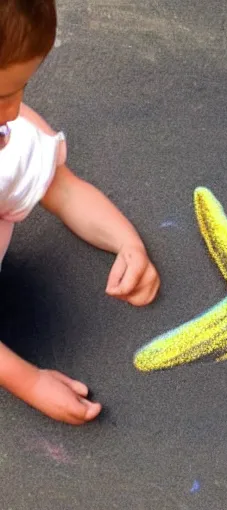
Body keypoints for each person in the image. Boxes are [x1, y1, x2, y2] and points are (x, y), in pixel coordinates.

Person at [0, 0, 161, 424]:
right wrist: (30, 382)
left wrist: (126, 241)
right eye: (1, 96)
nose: (13, 112)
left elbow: (65, 192)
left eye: (19, 90)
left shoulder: (10, 140)